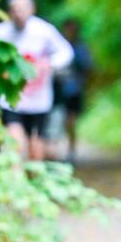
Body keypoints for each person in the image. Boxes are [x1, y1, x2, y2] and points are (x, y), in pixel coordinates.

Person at [0, 0, 74, 161]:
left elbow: (66, 52)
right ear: (9, 11)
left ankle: (34, 177)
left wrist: (49, 64)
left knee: (36, 143)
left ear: (32, 9)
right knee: (16, 140)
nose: (19, 14)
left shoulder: (44, 31)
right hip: (11, 98)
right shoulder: (0, 32)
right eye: (15, 9)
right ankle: (17, 177)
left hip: (39, 99)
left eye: (23, 9)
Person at [52, 18, 94, 163]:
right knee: (56, 120)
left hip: (74, 90)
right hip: (57, 90)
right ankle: (54, 151)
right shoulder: (56, 46)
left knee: (71, 121)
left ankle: (70, 150)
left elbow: (88, 68)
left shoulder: (81, 48)